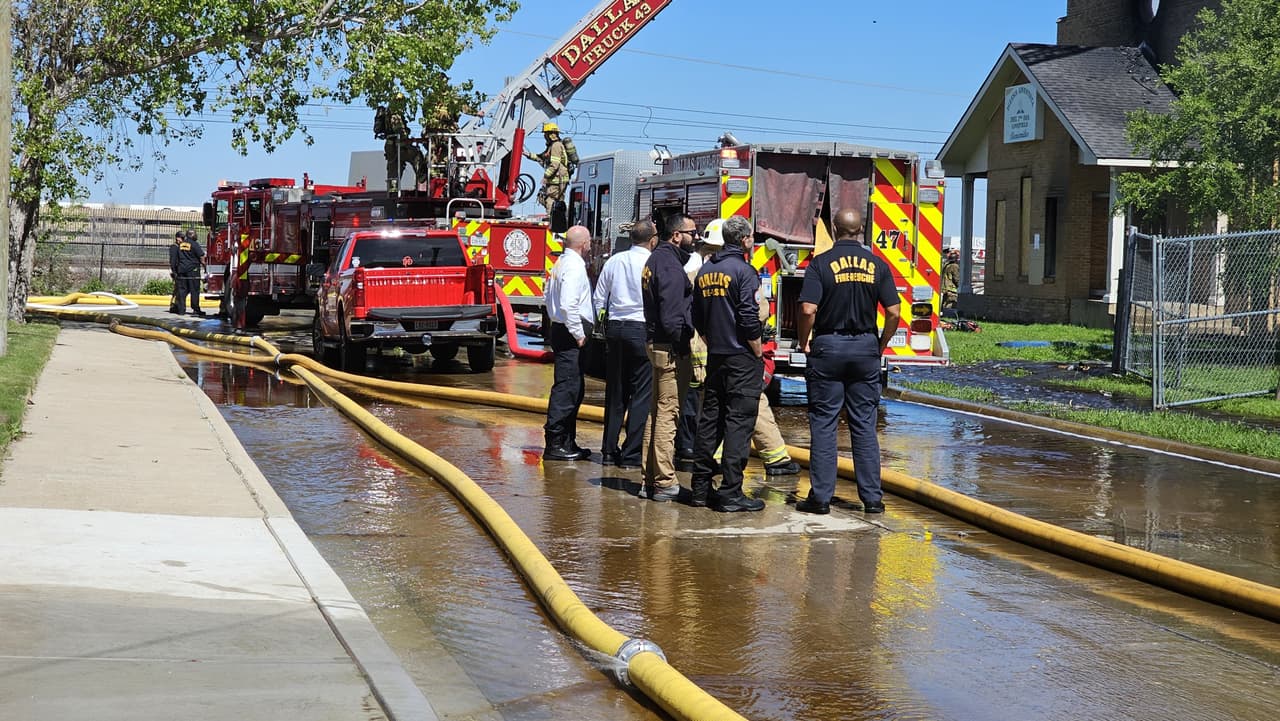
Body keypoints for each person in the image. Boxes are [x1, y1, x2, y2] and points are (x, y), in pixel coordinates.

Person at [794, 208, 898, 515]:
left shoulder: (820, 264)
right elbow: (893, 311)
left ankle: (821, 498)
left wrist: (804, 341)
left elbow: (808, 309)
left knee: (824, 425)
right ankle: (872, 499)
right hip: (865, 348)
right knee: (864, 425)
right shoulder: (878, 265)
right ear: (861, 228)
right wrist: (880, 344)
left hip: (828, 348)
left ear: (835, 230)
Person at [690, 215, 765, 512]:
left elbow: (696, 316)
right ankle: (731, 492)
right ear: (744, 240)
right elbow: (749, 316)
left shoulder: (707, 270)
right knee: (738, 424)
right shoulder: (745, 272)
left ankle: (699, 489)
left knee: (710, 422)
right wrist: (757, 350)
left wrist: (712, 341)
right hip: (742, 359)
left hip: (717, 357)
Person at [641, 213, 697, 502]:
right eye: (691, 233)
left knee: (657, 412)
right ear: (676, 235)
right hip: (670, 349)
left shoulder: (655, 260)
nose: (694, 238)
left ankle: (649, 477)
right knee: (668, 415)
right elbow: (673, 316)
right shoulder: (671, 268)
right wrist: (684, 347)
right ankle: (664, 480)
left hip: (656, 344)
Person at [593, 220, 657, 470]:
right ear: (652, 240)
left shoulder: (614, 261)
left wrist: (602, 326)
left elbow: (600, 297)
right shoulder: (651, 263)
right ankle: (631, 455)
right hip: (641, 329)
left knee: (616, 392)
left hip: (616, 329)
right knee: (641, 394)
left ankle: (609, 451)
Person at [543, 225, 595, 461]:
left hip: (562, 329)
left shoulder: (561, 263)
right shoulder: (573, 267)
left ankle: (567, 441)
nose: (591, 244)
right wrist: (578, 333)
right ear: (583, 244)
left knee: (574, 388)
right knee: (567, 389)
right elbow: (567, 304)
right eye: (590, 241)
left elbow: (548, 296)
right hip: (570, 332)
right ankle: (555, 445)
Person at [675, 218, 722, 467]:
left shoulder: (696, 265)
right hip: (699, 345)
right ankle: (688, 446)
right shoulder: (697, 268)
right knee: (694, 398)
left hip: (699, 344)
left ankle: (688, 445)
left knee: (693, 397)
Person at [523, 122, 576, 218]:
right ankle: (558, 218)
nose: (544, 136)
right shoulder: (552, 146)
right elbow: (542, 157)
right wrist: (528, 155)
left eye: (545, 134)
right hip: (560, 179)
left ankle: (551, 218)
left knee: (549, 199)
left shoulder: (556, 146)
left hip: (556, 180)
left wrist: (545, 177)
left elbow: (554, 165)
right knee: (557, 201)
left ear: (550, 134)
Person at [378, 95, 423, 192]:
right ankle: (422, 178)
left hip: (390, 147)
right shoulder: (396, 116)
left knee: (393, 170)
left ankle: (392, 191)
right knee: (416, 155)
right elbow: (400, 132)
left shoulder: (388, 113)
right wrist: (408, 141)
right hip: (399, 147)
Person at [171, 229, 206, 317]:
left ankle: (181, 310)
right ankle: (195, 309)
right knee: (194, 290)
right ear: (191, 235)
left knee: (182, 290)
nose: (197, 236)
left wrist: (175, 270)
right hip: (193, 271)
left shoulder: (180, 245)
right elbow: (202, 257)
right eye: (195, 234)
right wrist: (206, 268)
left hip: (182, 270)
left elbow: (176, 258)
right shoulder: (194, 244)